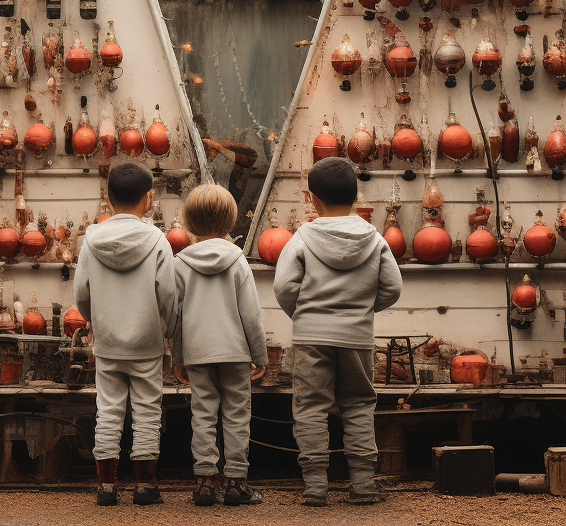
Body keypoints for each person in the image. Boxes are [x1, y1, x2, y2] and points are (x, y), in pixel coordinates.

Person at [273, 156, 402, 506]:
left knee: (311, 407)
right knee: (359, 404)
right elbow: (392, 288)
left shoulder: (302, 237)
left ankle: (315, 486)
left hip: (311, 335)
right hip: (356, 336)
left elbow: (284, 286)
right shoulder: (374, 239)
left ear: (312, 198)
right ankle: (362, 484)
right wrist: (359, 311)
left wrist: (304, 315)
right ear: (356, 195)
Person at [75, 161, 177, 506]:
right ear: (148, 199)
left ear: (108, 195)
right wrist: (167, 331)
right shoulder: (158, 242)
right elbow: (168, 295)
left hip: (108, 343)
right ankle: (145, 485)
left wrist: (97, 321)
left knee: (108, 409)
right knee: (148, 411)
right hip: (147, 343)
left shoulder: (90, 242)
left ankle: (106, 487)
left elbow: (82, 294)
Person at [171, 185, 268, 507]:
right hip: (235, 352)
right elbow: (250, 314)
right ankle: (237, 483)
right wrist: (259, 354)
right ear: (230, 221)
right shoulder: (238, 261)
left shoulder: (180, 263)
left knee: (203, 414)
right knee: (237, 415)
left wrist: (179, 357)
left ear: (188, 221)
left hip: (198, 352)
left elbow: (177, 316)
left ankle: (204, 483)